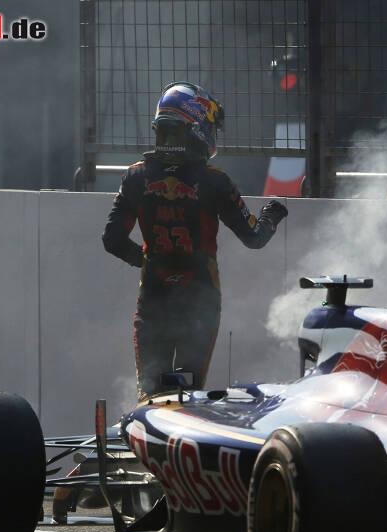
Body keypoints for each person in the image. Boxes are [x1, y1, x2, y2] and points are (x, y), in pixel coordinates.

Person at [103, 82, 287, 400]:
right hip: (199, 302)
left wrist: (145, 259)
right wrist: (273, 213)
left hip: (153, 300)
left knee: (151, 394)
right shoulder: (215, 181)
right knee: (185, 395)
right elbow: (255, 238)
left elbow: (112, 239)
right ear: (198, 125)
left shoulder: (135, 176)